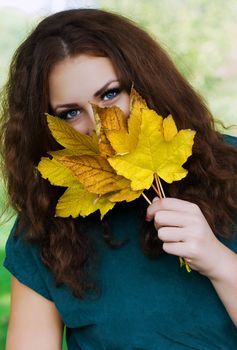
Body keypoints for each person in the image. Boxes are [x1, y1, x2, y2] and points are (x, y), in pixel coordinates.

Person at [0, 8, 237, 350]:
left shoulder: (229, 169)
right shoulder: (45, 226)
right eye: (70, 113)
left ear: (147, 84)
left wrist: (218, 262)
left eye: (110, 94)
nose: (100, 127)